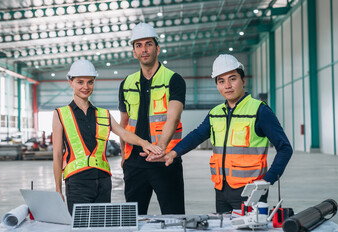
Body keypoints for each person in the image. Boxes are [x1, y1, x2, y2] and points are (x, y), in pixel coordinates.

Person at [146, 54, 293, 213]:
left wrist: (266, 181)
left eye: (233, 79)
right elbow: (196, 135)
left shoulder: (259, 110)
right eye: (221, 81)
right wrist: (173, 153)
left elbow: (285, 148)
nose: (227, 85)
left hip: (251, 191)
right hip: (221, 191)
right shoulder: (215, 113)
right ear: (217, 85)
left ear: (243, 81)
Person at [52, 59, 161, 214]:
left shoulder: (103, 114)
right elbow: (57, 154)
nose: (85, 87)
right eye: (80, 82)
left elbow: (123, 132)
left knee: (101, 226)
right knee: (80, 227)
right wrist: (58, 189)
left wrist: (144, 143)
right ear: (71, 82)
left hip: (103, 182)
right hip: (77, 183)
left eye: (90, 82)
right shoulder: (60, 114)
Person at [118, 22, 186, 215]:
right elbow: (123, 124)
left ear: (157, 48)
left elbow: (173, 118)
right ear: (134, 52)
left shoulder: (174, 80)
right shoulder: (126, 83)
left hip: (165, 160)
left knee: (174, 219)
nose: (144, 49)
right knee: (133, 220)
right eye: (138, 45)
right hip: (134, 163)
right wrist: (124, 156)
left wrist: (161, 148)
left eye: (148, 44)